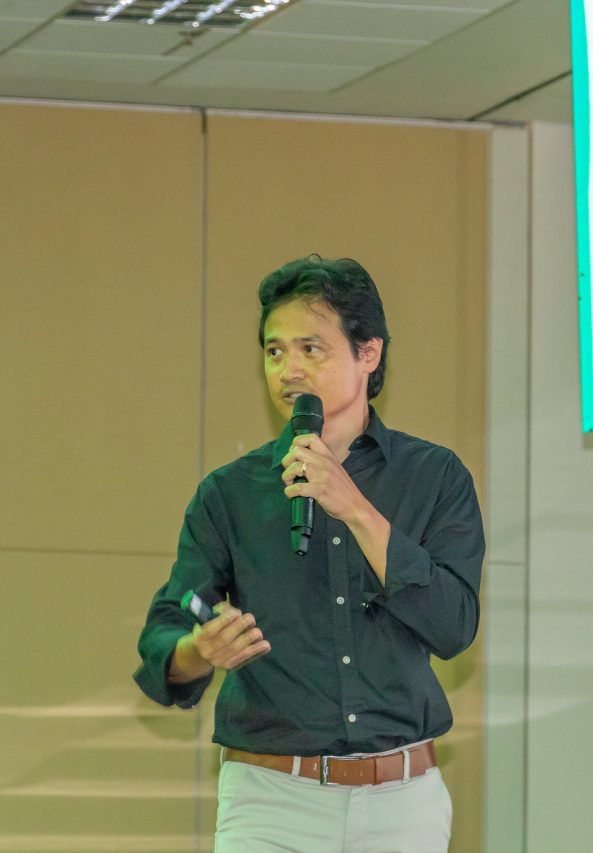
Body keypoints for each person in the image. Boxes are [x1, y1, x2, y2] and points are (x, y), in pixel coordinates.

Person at [134, 255, 484, 853]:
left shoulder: (435, 476)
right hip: (272, 800)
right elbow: (167, 632)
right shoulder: (231, 493)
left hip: (403, 802)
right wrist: (197, 650)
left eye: (310, 349)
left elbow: (454, 627)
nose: (288, 369)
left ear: (368, 352)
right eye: (274, 352)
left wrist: (355, 508)